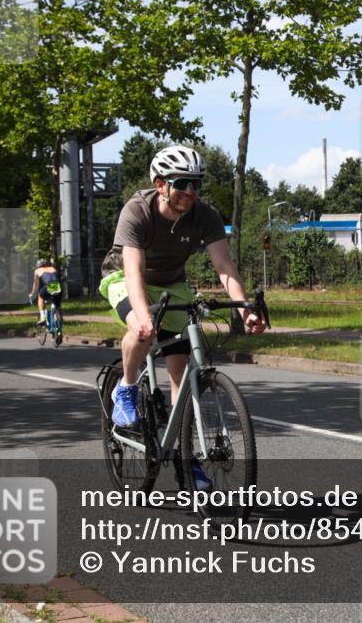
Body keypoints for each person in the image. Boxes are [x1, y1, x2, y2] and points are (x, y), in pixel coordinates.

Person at [99, 145, 266, 489]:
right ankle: (127, 387)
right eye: (183, 183)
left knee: (182, 370)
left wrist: (244, 306)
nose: (191, 191)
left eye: (197, 184)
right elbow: (133, 270)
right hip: (123, 277)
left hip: (172, 283)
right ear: (161, 184)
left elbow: (224, 265)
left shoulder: (204, 214)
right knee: (142, 330)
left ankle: (185, 460)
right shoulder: (137, 210)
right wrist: (143, 315)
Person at [28, 259, 62, 326]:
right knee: (55, 302)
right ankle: (57, 316)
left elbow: (35, 283)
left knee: (40, 296)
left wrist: (32, 293)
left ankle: (43, 317)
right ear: (46, 264)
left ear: (38, 266)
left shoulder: (37, 270)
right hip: (57, 287)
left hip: (48, 286)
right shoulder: (52, 268)